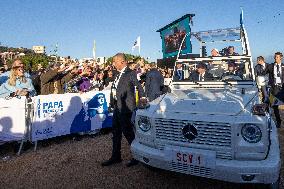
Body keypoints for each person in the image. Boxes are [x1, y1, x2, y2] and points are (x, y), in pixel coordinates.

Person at [101, 53, 145, 167]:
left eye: (115, 62)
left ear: (122, 61)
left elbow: (138, 86)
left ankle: (137, 156)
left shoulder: (130, 73)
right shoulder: (117, 74)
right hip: (117, 107)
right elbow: (114, 89)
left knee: (128, 133)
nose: (113, 64)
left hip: (126, 108)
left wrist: (143, 97)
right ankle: (116, 156)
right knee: (116, 133)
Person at [264, 52, 284, 127]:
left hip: (282, 88)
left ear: (281, 58)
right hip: (274, 88)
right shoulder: (270, 66)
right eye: (275, 57)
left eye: (277, 57)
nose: (275, 58)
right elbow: (264, 72)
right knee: (275, 106)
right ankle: (278, 121)